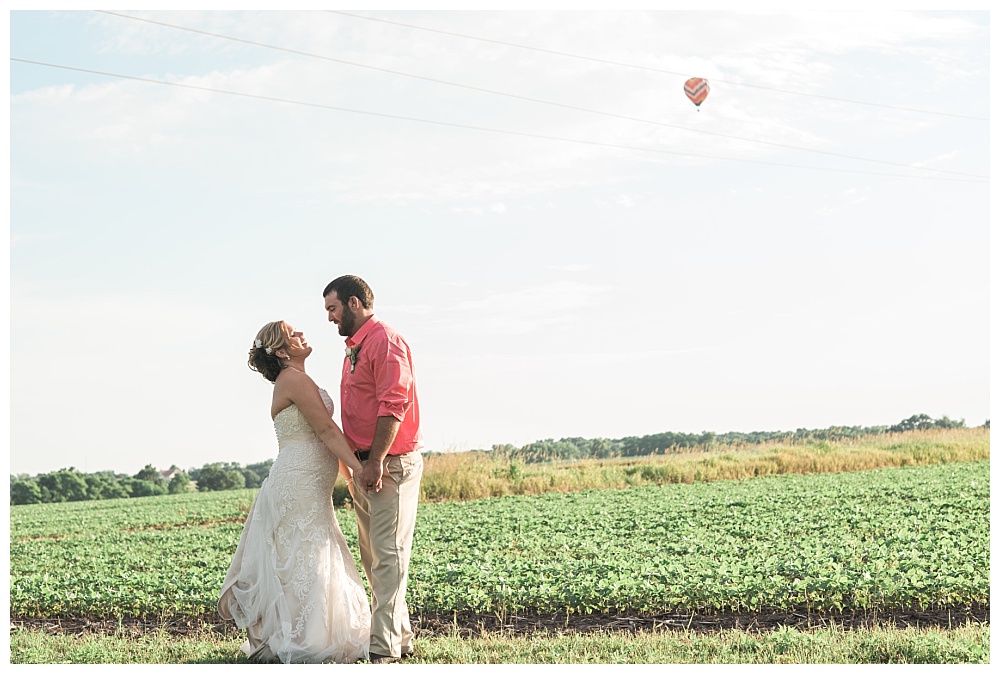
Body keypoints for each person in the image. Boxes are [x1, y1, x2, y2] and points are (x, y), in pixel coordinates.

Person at [218, 320, 372, 664]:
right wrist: (361, 471)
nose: (303, 334)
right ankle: (305, 638)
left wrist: (347, 475)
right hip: (297, 479)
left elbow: (327, 437)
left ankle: (312, 632)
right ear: (283, 351)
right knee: (304, 554)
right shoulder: (293, 379)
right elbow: (327, 431)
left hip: (308, 480)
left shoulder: (299, 379)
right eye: (294, 334)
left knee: (309, 551)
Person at [323, 275, 424, 664]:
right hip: (365, 466)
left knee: (388, 556)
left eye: (332, 309)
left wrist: (378, 460)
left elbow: (393, 403)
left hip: (390, 464)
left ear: (353, 303)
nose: (330, 318)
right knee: (375, 557)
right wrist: (355, 467)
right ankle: (401, 638)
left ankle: (383, 649)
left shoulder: (384, 340)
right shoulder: (356, 346)